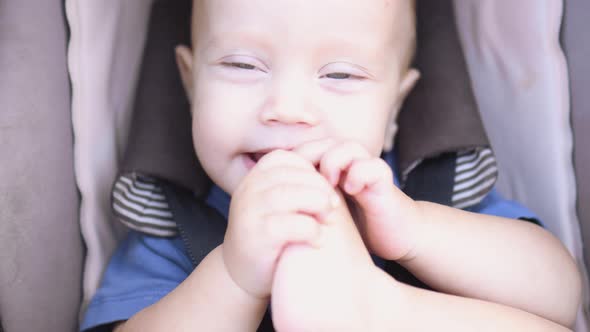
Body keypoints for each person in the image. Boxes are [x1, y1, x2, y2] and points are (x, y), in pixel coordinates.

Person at [81, 0, 581, 331]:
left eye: (340, 74)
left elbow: (562, 296)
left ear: (393, 110)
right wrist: (232, 277)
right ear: (191, 87)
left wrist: (415, 232)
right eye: (242, 65)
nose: (287, 107)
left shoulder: (423, 191)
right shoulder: (181, 229)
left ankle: (382, 309)